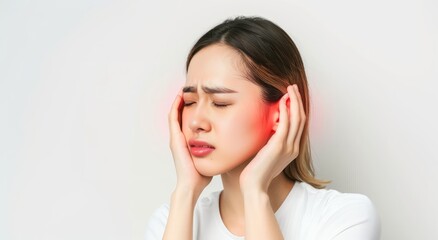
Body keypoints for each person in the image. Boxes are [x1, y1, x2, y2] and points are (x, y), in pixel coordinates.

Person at [145, 16, 380, 240]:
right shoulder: (171, 220)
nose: (195, 122)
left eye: (220, 103)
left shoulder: (344, 217)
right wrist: (185, 193)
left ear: (283, 111)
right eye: (189, 102)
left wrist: (255, 192)